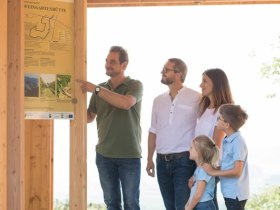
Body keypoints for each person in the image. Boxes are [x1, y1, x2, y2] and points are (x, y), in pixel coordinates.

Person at [77, 46, 143, 210]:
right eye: (107, 61)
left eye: (112, 61)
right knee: (112, 204)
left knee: (131, 204)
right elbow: (89, 117)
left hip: (129, 155)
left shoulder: (134, 85)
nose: (107, 64)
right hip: (104, 156)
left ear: (124, 65)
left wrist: (96, 89)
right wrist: (69, 104)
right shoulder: (99, 89)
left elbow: (126, 103)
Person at [146, 58, 201, 210]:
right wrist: (150, 159)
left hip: (184, 161)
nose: (162, 72)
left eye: (166, 70)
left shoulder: (196, 97)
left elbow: (202, 129)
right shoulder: (158, 100)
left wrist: (200, 163)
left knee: (183, 208)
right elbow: (153, 131)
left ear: (179, 74)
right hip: (161, 162)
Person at [194, 68, 234, 209]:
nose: (200, 85)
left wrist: (201, 170)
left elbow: (216, 144)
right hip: (202, 165)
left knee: (206, 203)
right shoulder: (206, 109)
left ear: (216, 84)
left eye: (205, 81)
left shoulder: (222, 110)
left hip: (211, 165)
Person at [203, 104, 249, 210]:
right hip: (229, 192)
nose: (216, 121)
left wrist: (213, 172)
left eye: (219, 119)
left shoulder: (237, 142)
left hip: (236, 194)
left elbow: (237, 171)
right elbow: (228, 164)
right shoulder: (227, 140)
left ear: (227, 124)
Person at [185, 135, 220, 210]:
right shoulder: (199, 168)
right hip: (201, 205)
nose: (189, 150)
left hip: (204, 206)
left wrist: (189, 208)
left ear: (199, 152)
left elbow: (198, 194)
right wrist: (188, 203)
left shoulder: (203, 170)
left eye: (191, 148)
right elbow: (195, 190)